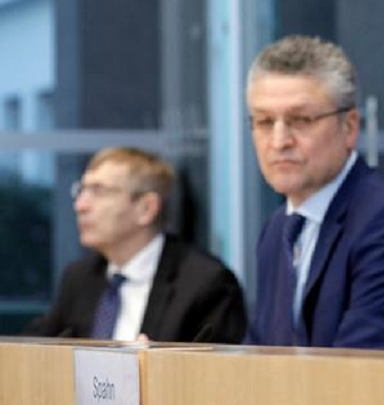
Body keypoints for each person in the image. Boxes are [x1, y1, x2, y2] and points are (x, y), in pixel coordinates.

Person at [244, 35, 384, 350]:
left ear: (349, 127)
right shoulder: (278, 228)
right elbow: (259, 355)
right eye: (264, 122)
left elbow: (356, 369)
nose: (278, 141)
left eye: (300, 120)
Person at [23, 147, 247, 343]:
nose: (80, 205)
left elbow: (215, 378)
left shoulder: (206, 283)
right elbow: (35, 349)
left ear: (146, 208)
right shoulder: (80, 277)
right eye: (81, 190)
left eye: (98, 192)